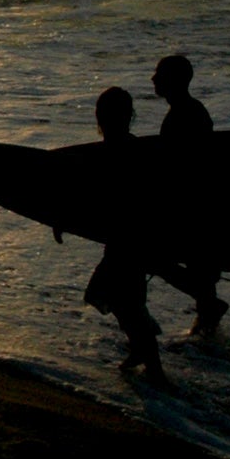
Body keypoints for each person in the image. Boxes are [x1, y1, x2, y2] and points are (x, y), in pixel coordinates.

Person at [81, 87, 166, 381]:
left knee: (123, 300)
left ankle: (155, 368)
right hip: (131, 237)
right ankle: (142, 352)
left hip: (129, 238)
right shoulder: (130, 147)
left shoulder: (118, 150)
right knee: (122, 298)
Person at [152, 54, 227, 335]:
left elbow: (181, 168)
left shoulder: (183, 114)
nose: (153, 78)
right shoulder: (190, 110)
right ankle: (207, 334)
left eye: (159, 73)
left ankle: (210, 312)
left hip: (193, 207)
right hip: (205, 204)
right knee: (203, 275)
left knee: (158, 260)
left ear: (173, 80)